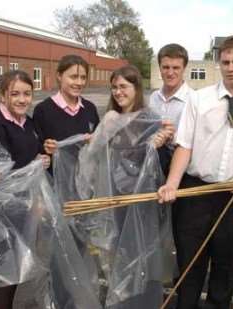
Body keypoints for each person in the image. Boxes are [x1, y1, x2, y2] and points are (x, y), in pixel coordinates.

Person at [157, 35, 233, 309]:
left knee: (225, 266)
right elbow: (184, 145)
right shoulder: (199, 99)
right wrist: (172, 183)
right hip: (194, 192)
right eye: (226, 61)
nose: (230, 67)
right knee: (190, 263)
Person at [76, 64, 174, 308]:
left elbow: (160, 165)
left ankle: (140, 302)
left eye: (124, 86)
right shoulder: (110, 119)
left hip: (142, 202)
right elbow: (91, 157)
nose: (118, 92)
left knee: (142, 254)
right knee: (117, 254)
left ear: (136, 88)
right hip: (115, 201)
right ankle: (120, 301)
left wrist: (162, 141)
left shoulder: (150, 119)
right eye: (115, 87)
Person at [0, 70, 49, 309]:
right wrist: (35, 165)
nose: (22, 99)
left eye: (27, 94)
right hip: (3, 212)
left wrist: (43, 157)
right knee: (4, 274)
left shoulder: (28, 122)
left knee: (16, 267)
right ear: (2, 96)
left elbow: (34, 153)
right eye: (15, 94)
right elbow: (0, 172)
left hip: (25, 208)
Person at [32, 54, 100, 157]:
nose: (79, 83)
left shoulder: (90, 108)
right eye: (73, 77)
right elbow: (37, 149)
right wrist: (45, 149)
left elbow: (98, 144)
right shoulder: (43, 111)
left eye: (83, 78)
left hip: (85, 172)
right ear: (59, 76)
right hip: (55, 172)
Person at [149, 43, 194, 129]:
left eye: (176, 68)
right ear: (160, 68)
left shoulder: (194, 100)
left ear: (184, 69)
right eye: (166, 67)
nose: (170, 73)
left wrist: (174, 137)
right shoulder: (153, 98)